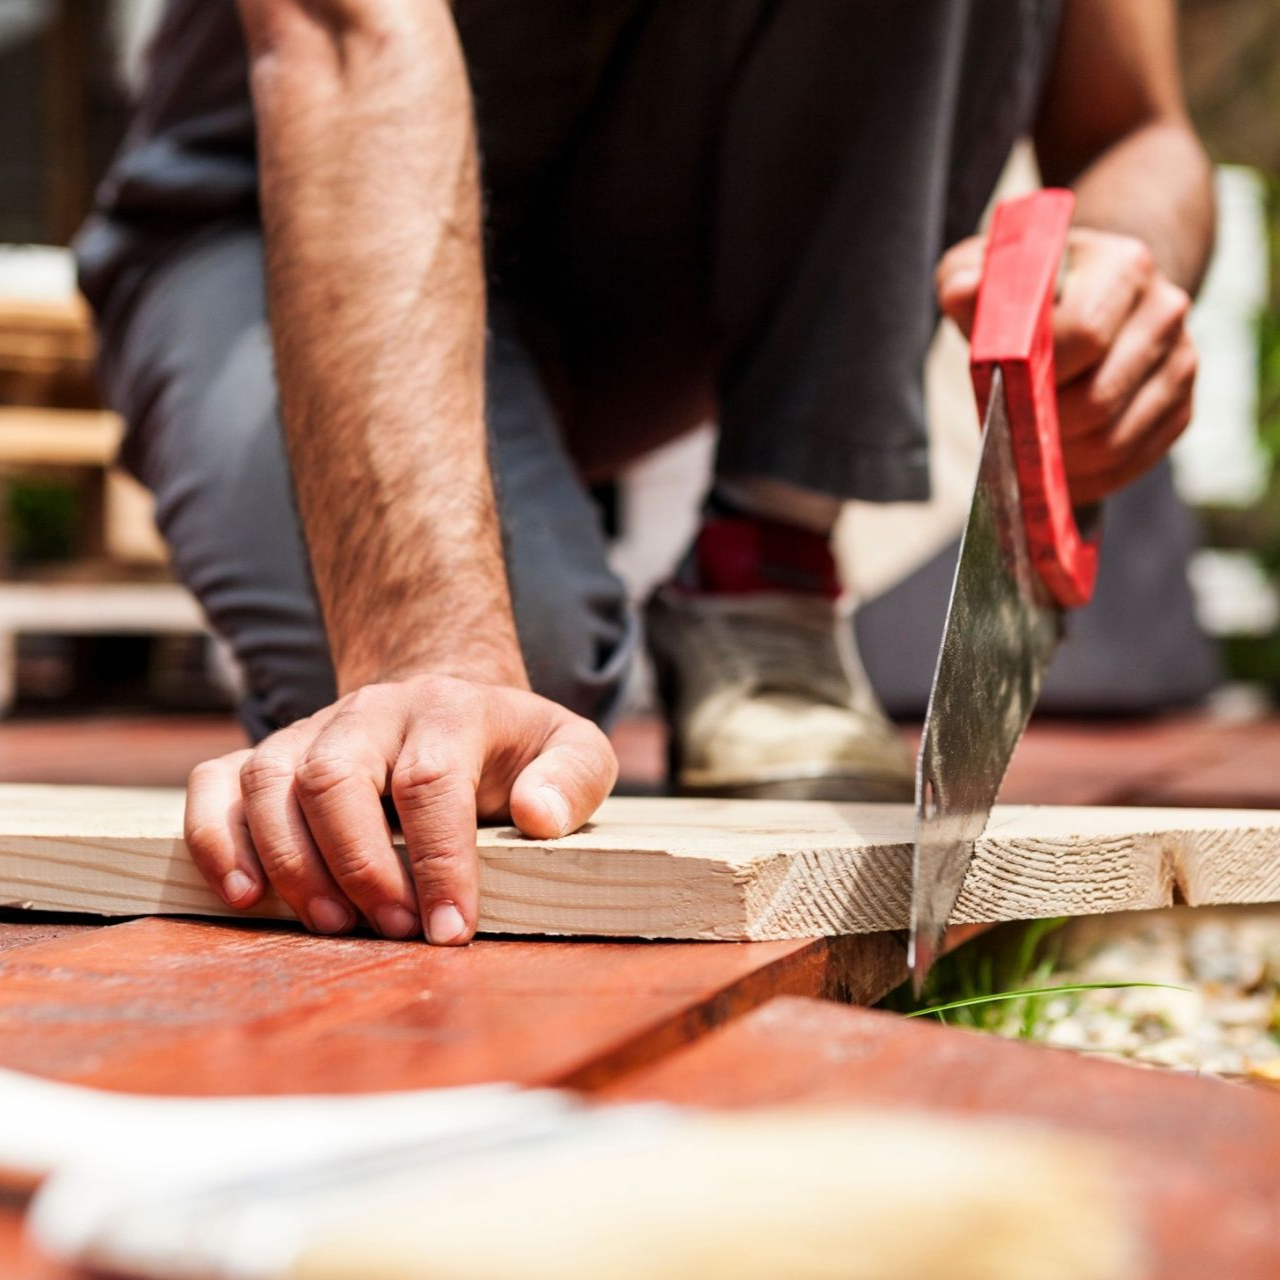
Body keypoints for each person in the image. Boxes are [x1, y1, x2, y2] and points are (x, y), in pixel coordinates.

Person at [76, 0, 1214, 944]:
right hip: (275, 212)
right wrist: (433, 654)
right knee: (491, 757)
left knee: (509, 757)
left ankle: (764, 560)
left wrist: (1121, 273)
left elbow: (1135, 131)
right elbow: (342, 31)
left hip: (627, 286)